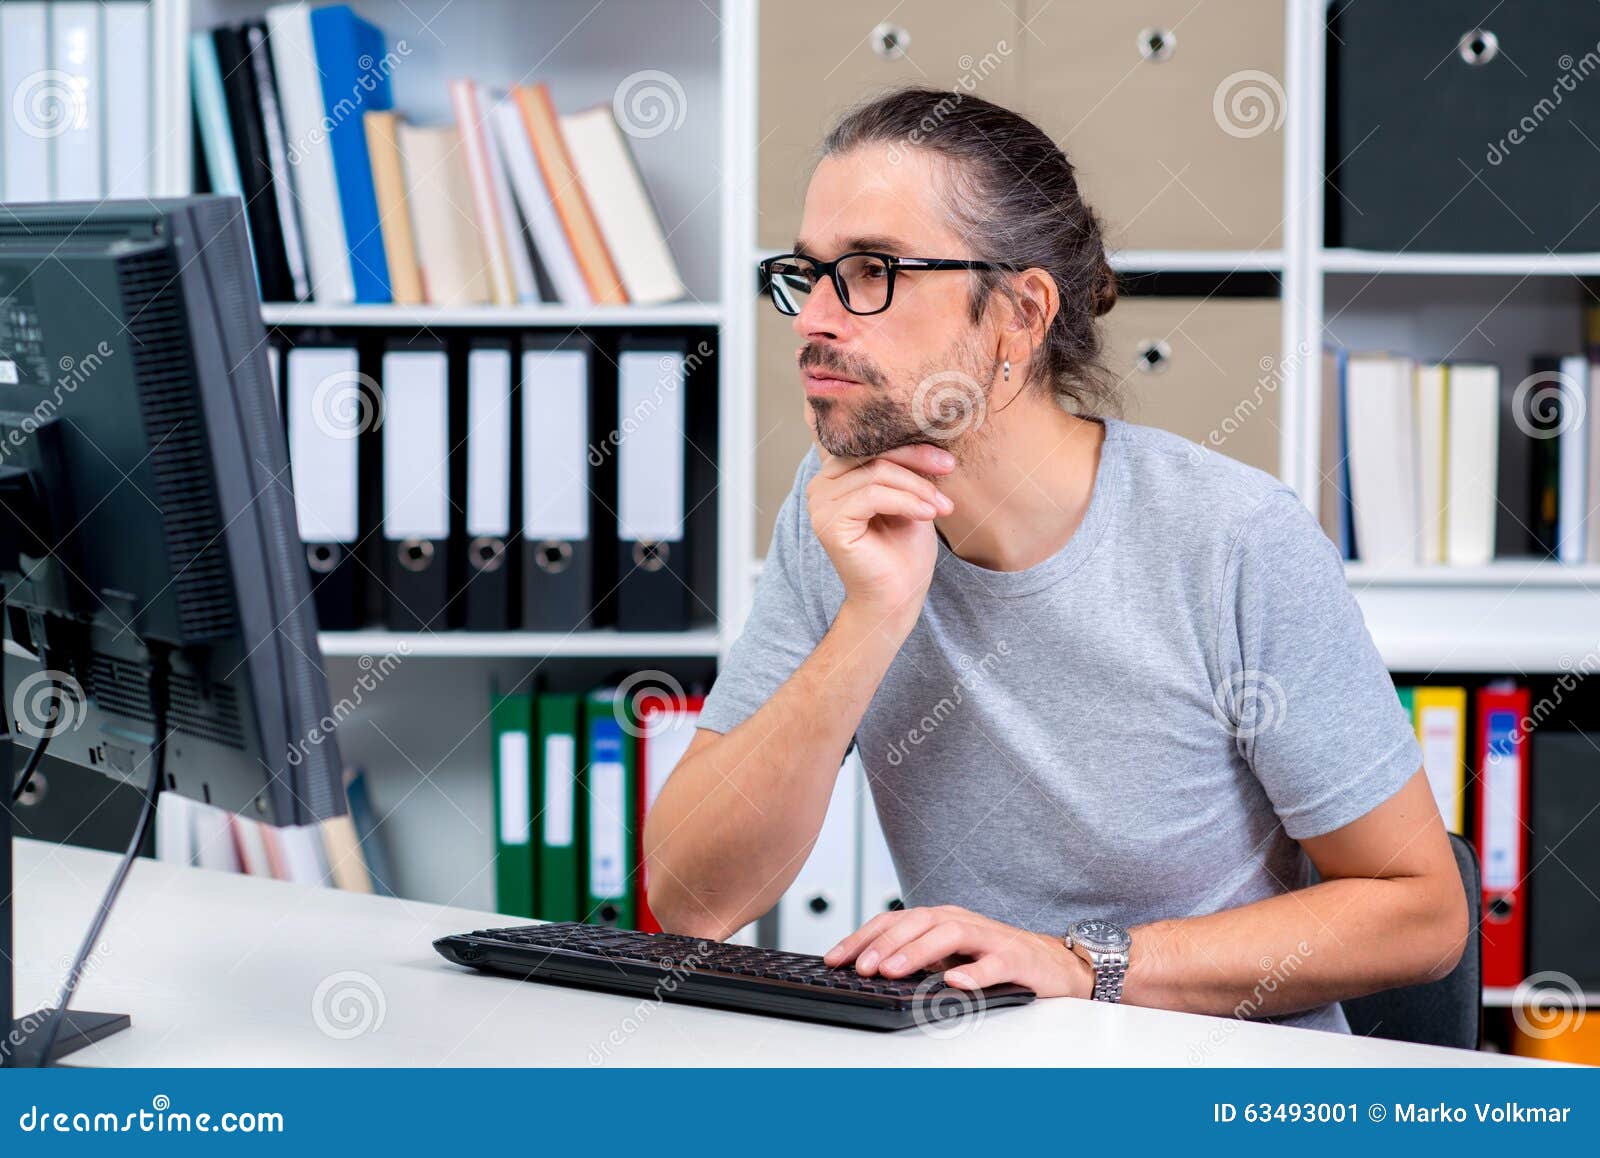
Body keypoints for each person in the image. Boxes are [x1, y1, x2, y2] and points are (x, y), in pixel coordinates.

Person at [643, 86, 1466, 1032]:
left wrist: (1081, 967)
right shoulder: (836, 512)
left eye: (871, 271)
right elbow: (693, 899)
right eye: (808, 272)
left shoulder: (1233, 537)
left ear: (1020, 315)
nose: (813, 320)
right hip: (981, 1079)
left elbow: (1422, 912)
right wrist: (868, 622)